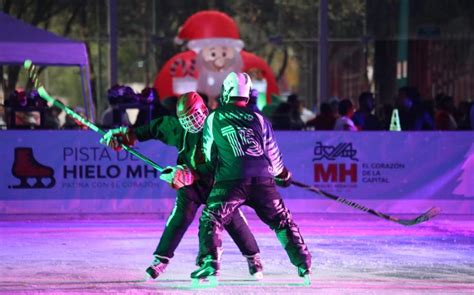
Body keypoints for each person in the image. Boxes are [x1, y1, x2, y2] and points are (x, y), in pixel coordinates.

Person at [100, 92, 263, 279]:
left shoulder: (219, 127)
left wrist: (190, 173)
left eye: (194, 117)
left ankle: (253, 256)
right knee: (179, 217)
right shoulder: (179, 129)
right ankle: (161, 259)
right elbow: (155, 128)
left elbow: (223, 162)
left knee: (233, 220)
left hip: (217, 185)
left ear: (204, 110)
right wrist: (129, 135)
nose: (192, 123)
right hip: (191, 186)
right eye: (186, 120)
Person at [191, 72, 312, 282]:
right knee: (282, 221)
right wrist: (283, 175)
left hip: (230, 182)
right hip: (263, 182)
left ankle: (210, 262)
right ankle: (303, 265)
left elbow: (208, 155)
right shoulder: (259, 119)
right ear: (247, 95)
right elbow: (273, 157)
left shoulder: (214, 117)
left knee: (212, 217)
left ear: (226, 92)